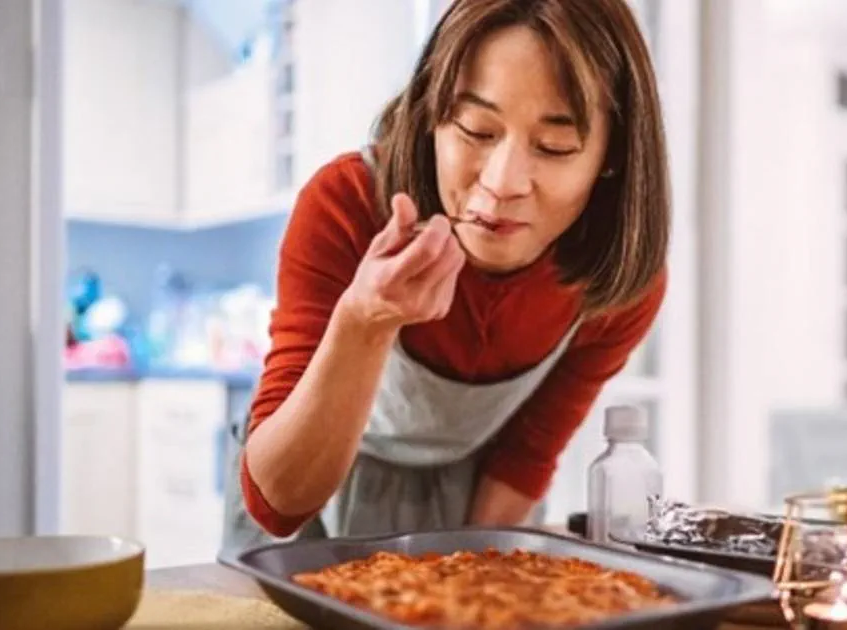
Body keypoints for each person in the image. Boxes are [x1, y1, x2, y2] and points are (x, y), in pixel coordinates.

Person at [221, 0, 670, 553]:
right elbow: (278, 503)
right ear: (431, 112)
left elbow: (526, 456)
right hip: (303, 488)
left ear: (612, 156)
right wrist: (365, 321)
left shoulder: (614, 285)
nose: (503, 182)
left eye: (554, 146)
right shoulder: (347, 206)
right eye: (476, 129)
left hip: (470, 501)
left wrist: (460, 578)